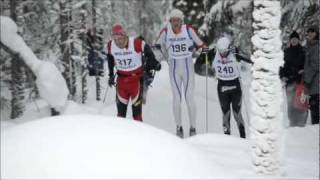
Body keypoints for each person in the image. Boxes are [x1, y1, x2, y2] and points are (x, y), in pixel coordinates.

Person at [155, 9, 207, 138]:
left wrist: (197, 52)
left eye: (178, 20)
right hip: (174, 68)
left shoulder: (188, 29)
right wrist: (158, 56)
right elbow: (157, 46)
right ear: (170, 21)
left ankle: (193, 127)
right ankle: (179, 128)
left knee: (189, 98)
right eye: (173, 20)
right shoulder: (166, 31)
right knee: (177, 99)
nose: (175, 23)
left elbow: (203, 46)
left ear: (181, 20)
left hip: (188, 67)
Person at [196, 36, 253, 138]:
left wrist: (238, 52)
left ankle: (243, 138)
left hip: (235, 87)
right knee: (226, 115)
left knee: (237, 113)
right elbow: (197, 65)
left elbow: (250, 59)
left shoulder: (234, 52)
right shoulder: (213, 53)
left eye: (225, 51)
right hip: (222, 88)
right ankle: (227, 139)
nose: (222, 54)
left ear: (229, 48)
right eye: (220, 51)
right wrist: (203, 54)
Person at [106, 24, 161, 121]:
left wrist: (154, 63)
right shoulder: (111, 45)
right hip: (121, 83)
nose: (118, 42)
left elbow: (148, 51)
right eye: (115, 39)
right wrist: (110, 75)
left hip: (136, 82)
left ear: (124, 35)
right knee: (120, 116)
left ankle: (139, 135)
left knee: (137, 116)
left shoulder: (136, 43)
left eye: (120, 39)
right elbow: (110, 58)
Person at [280, 31, 308, 127]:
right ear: (290, 40)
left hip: (300, 82)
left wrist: (303, 70)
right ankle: (292, 122)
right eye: (292, 39)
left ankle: (301, 123)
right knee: (290, 103)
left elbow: (306, 65)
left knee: (300, 102)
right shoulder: (286, 52)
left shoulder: (303, 51)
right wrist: (282, 75)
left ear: (298, 40)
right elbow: (281, 66)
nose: (294, 41)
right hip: (289, 82)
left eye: (295, 39)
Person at [304, 26, 319, 125]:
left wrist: (307, 80)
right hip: (310, 81)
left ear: (316, 34)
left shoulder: (316, 46)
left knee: (314, 106)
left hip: (315, 81)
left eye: (312, 32)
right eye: (309, 32)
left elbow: (315, 65)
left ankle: (315, 126)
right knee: (311, 106)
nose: (310, 34)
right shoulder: (308, 46)